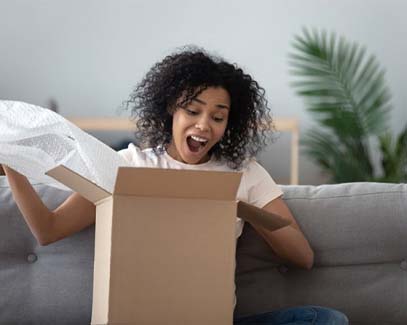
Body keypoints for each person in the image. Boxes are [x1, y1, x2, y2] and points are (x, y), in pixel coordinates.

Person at [2, 47, 348, 325]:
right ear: (172, 109)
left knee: (326, 319)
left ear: (230, 123)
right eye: (192, 111)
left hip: (212, 319)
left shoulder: (245, 174)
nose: (203, 125)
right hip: (139, 318)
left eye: (217, 117)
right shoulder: (129, 165)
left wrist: (237, 206)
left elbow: (302, 257)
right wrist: (11, 160)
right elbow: (48, 230)